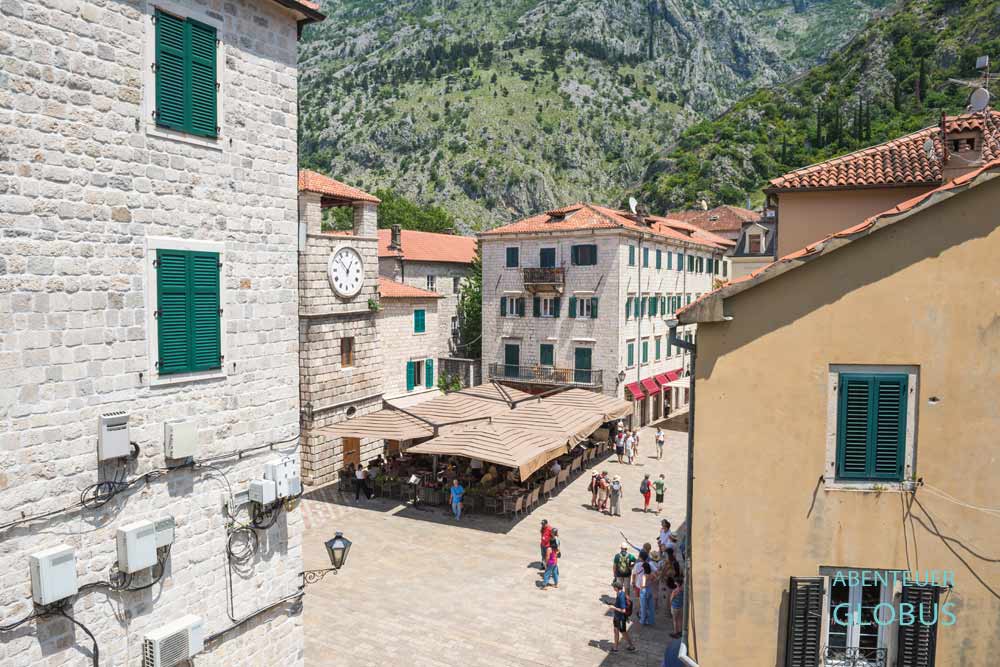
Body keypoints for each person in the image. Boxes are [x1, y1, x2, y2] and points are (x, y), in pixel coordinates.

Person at [609, 580, 636, 653]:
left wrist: (613, 608)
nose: (613, 588)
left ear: (617, 588)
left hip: (620, 618)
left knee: (623, 632)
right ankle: (616, 647)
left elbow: (623, 610)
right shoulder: (620, 593)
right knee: (616, 631)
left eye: (614, 587)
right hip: (617, 617)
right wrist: (614, 604)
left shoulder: (621, 596)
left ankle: (631, 646)